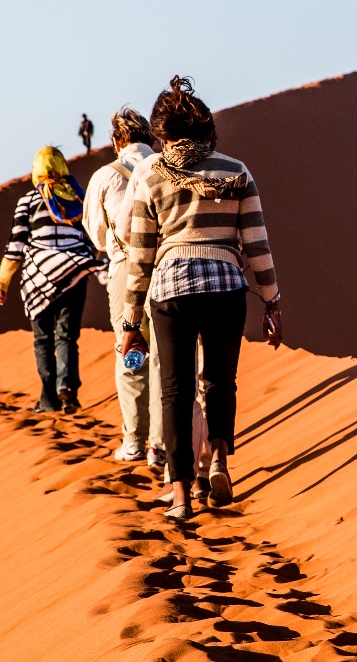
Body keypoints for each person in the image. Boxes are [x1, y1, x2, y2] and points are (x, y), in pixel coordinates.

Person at [116, 76, 281, 521]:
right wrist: (272, 300)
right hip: (227, 288)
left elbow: (140, 255)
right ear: (207, 128)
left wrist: (131, 322)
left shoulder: (153, 175)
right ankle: (221, 463)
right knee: (219, 382)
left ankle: (182, 495)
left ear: (162, 134)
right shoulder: (236, 170)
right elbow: (257, 244)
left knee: (175, 392)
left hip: (170, 293)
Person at [0, 147, 105, 413]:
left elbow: (16, 247)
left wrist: (1, 281)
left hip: (37, 279)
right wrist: (83, 261)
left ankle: (48, 399)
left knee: (43, 339)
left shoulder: (28, 201)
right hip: (74, 274)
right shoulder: (78, 198)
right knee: (67, 336)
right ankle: (67, 389)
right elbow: (93, 238)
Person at [83, 108, 157, 461]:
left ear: (117, 140)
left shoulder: (105, 176)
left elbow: (96, 235)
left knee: (131, 353)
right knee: (166, 357)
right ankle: (162, 443)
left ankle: (134, 440)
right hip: (166, 265)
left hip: (126, 268)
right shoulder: (165, 165)